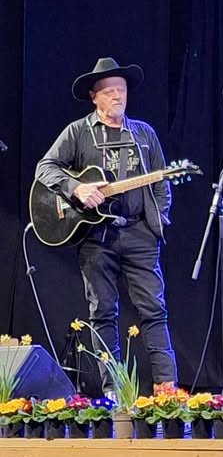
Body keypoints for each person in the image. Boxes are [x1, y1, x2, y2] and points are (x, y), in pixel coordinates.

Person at [35, 57, 178, 394]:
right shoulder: (78, 132)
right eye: (110, 91)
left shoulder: (143, 133)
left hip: (140, 233)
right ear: (94, 96)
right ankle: (114, 389)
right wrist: (76, 188)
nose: (117, 96)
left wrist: (159, 217)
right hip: (97, 236)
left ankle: (167, 386)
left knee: (154, 309)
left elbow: (161, 182)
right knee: (102, 312)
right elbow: (45, 168)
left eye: (121, 90)